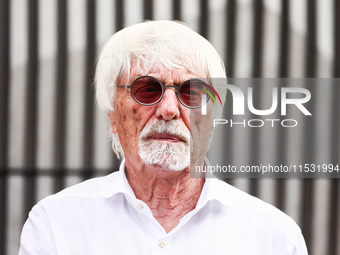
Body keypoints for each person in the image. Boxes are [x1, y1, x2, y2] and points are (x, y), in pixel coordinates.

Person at [19, 20, 308, 254]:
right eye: (147, 90)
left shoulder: (274, 237)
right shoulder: (56, 224)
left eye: (191, 93)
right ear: (113, 114)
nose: (169, 110)